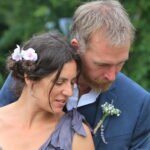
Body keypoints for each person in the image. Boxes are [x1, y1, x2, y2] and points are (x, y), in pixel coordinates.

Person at [0, 0, 150, 149]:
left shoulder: (139, 104)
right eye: (102, 64)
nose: (112, 76)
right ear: (76, 47)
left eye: (120, 63)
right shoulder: (33, 75)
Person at [0, 32, 94, 150]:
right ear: (29, 77)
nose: (69, 92)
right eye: (59, 82)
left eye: (72, 83)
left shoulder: (77, 136)